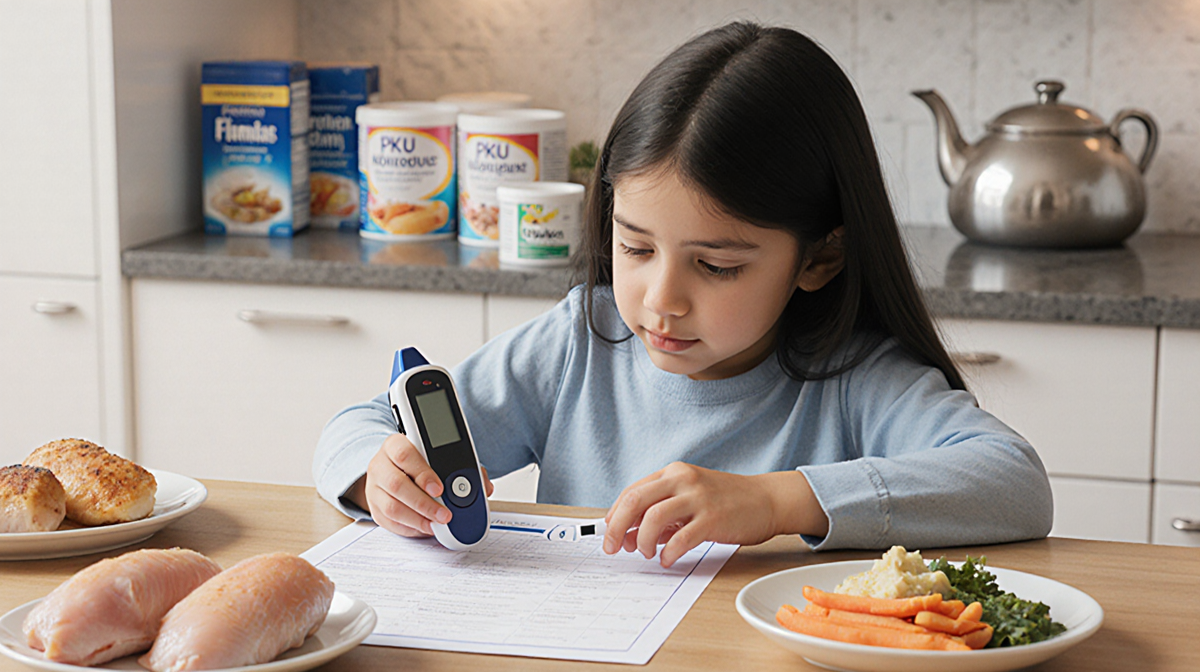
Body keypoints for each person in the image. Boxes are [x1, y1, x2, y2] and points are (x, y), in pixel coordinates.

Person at [314, 22, 1053, 568]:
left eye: (718, 267)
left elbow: (1015, 482)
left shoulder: (854, 377)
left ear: (820, 258)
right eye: (635, 247)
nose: (659, 301)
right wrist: (376, 475)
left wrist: (773, 502)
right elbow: (365, 422)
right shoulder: (582, 340)